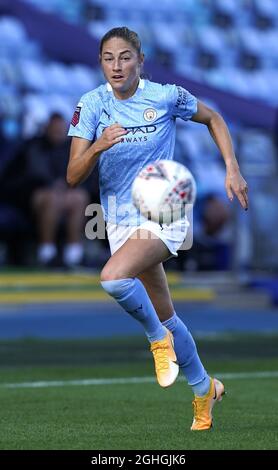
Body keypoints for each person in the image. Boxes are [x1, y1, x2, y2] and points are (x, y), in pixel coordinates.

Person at [67, 27, 248, 431]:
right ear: (100, 63)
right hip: (117, 220)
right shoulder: (92, 105)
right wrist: (98, 146)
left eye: (125, 57)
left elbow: (213, 117)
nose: (116, 65)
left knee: (113, 278)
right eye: (108, 58)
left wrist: (232, 169)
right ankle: (204, 389)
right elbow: (72, 175)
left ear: (140, 61)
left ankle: (156, 341)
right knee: (168, 315)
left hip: (165, 211)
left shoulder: (166, 96)